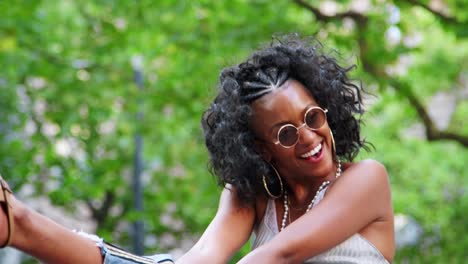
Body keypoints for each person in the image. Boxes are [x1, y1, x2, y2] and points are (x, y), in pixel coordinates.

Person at [0, 34, 394, 263]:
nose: (309, 137)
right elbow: (200, 259)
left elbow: (277, 257)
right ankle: (18, 225)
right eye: (286, 134)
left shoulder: (367, 179)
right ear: (261, 148)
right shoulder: (252, 195)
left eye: (312, 118)